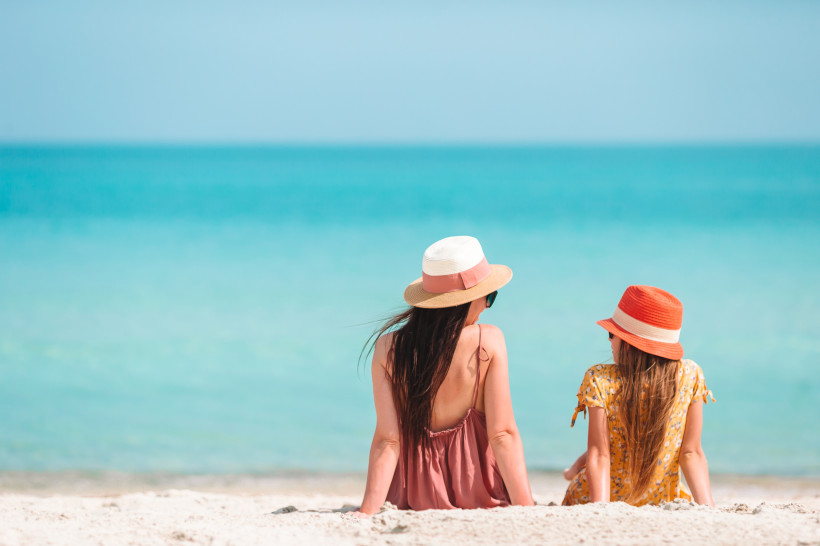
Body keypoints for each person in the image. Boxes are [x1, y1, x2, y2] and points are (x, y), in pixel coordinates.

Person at [354, 236, 534, 516]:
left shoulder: (388, 348)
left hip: (414, 494)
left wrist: (367, 511)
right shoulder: (488, 340)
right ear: (464, 300)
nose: (487, 306)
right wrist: (527, 507)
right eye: (489, 296)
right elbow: (502, 434)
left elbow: (388, 440)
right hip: (479, 490)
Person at [562, 285, 715, 507]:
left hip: (600, 493)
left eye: (611, 334)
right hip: (661, 498)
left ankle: (570, 471)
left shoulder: (600, 379)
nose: (609, 341)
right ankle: (572, 469)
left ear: (630, 344)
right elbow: (691, 453)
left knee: (597, 452)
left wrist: (600, 508)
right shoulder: (690, 375)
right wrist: (708, 508)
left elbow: (600, 455)